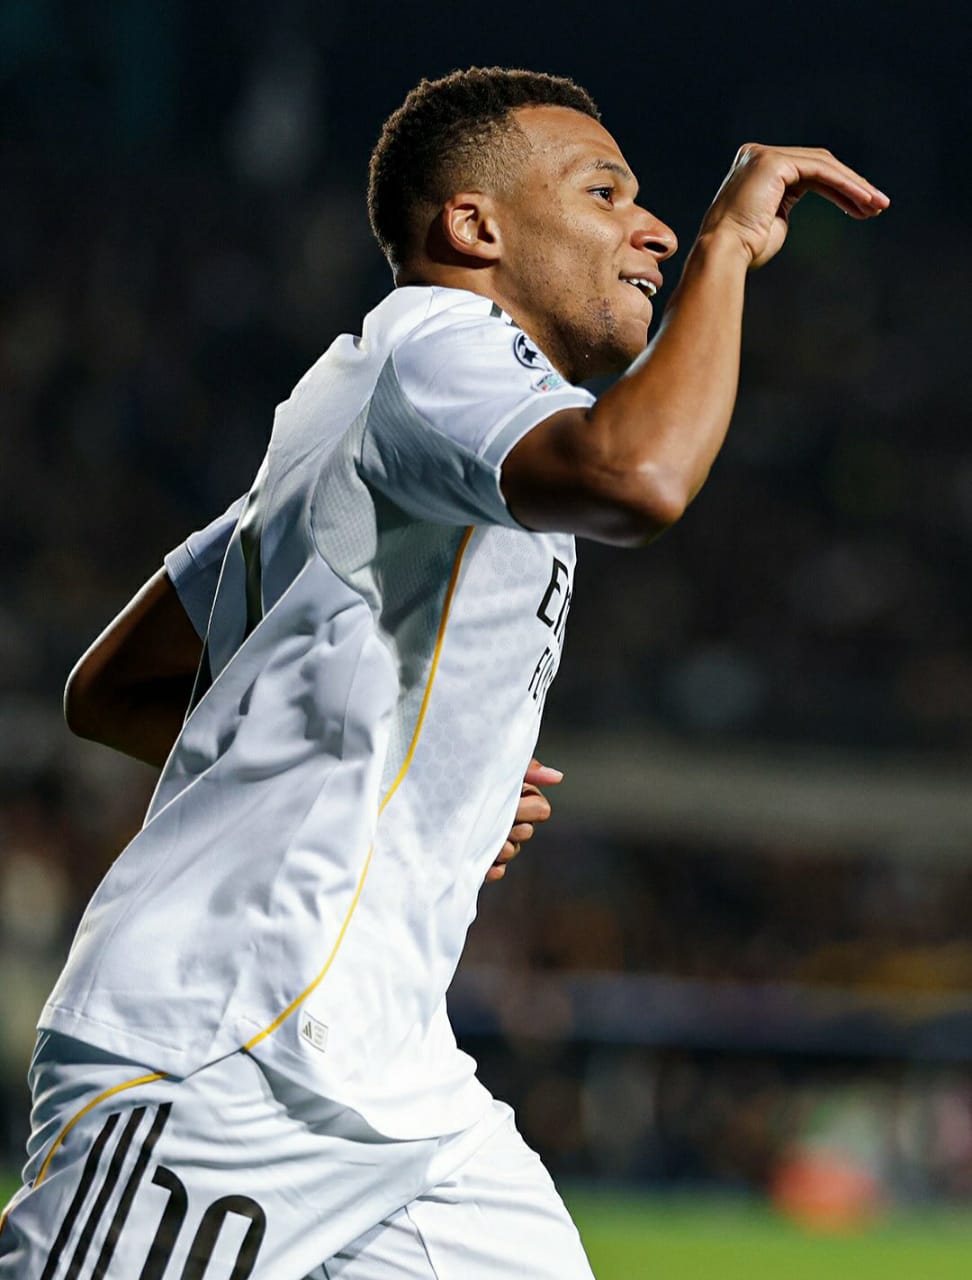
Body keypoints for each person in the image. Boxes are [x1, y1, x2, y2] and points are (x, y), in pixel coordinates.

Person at [0, 66, 887, 1278]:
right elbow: (638, 477)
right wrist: (725, 249)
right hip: (223, 1051)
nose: (652, 226)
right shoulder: (438, 345)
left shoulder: (365, 412)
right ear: (474, 228)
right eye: (604, 192)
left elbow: (117, 685)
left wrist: (415, 781)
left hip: (399, 1087)